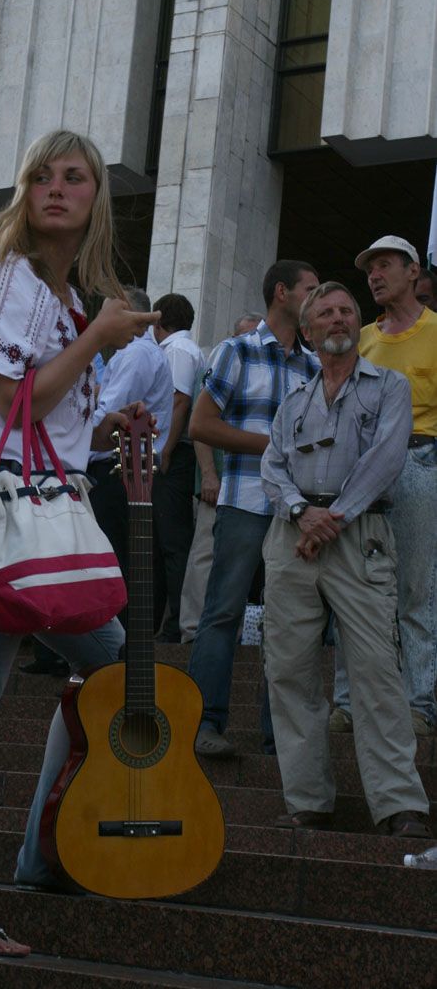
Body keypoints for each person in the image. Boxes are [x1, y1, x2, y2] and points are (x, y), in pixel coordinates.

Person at [0, 129, 159, 955]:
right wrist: (98, 343)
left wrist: (104, 417)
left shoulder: (65, 294)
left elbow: (41, 417)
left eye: (74, 177)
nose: (55, 188)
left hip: (22, 496)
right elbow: (18, 401)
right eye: (41, 176)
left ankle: (44, 852)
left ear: (95, 197)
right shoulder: (5, 274)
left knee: (117, 668)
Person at [260, 281, 431, 838]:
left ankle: (400, 803)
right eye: (325, 313)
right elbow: (271, 468)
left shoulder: (390, 387)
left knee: (376, 671)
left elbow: (386, 459)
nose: (337, 319)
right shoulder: (292, 403)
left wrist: (332, 518)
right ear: (308, 333)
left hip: (359, 534)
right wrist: (299, 513)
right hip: (293, 538)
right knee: (290, 672)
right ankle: (308, 800)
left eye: (346, 312)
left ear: (357, 327)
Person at [188, 260, 319, 756]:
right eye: (310, 288)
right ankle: (204, 724)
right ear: (281, 293)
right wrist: (272, 445)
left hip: (294, 512)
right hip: (244, 501)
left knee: (286, 622)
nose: (317, 294)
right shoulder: (236, 350)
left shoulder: (313, 364)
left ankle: (277, 737)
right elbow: (200, 424)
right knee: (222, 612)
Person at [330, 236, 437, 737]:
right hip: (362, 473)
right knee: (355, 590)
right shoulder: (363, 339)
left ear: (414, 272)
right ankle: (347, 704)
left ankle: (419, 705)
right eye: (370, 267)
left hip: (421, 463)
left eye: (386, 265)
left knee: (416, 590)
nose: (375, 275)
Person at [179, 313, 262, 643]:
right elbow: (199, 429)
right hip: (219, 482)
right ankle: (190, 630)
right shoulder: (218, 364)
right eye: (245, 335)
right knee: (205, 555)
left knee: (239, 561)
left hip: (254, 485)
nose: (250, 342)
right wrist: (210, 476)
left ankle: (235, 632)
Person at [86, 285, 173, 582]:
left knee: (109, 567)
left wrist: (71, 441)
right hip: (121, 470)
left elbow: (111, 413)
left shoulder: (137, 354)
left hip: (117, 471)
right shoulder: (139, 353)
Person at [150, 294, 206, 642]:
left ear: (159, 321)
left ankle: (175, 623)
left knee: (172, 542)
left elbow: (179, 400)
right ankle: (164, 620)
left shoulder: (177, 351)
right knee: (164, 541)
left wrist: (164, 451)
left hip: (175, 454)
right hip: (177, 452)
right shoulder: (185, 349)